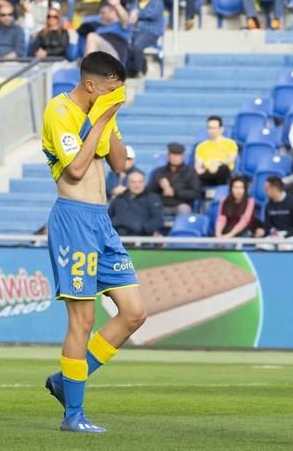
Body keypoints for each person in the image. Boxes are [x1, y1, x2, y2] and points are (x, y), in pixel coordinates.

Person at [41, 51, 146, 433]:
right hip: (73, 220)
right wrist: (100, 118)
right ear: (91, 85)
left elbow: (120, 165)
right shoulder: (60, 111)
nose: (115, 96)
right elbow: (77, 168)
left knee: (134, 312)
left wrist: (111, 119)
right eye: (110, 90)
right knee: (83, 319)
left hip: (101, 222)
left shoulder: (102, 114)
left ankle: (63, 381)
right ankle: (73, 415)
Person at [147, 142, 201, 215]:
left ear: (183, 156)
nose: (176, 158)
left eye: (178, 155)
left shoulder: (190, 172)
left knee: (183, 209)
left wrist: (174, 192)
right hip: (162, 205)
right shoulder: (159, 172)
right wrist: (159, 185)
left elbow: (195, 193)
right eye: (174, 155)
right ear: (168, 155)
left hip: (181, 204)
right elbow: (150, 192)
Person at [108, 169, 163, 236]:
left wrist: (142, 227)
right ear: (127, 183)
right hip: (118, 237)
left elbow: (158, 220)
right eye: (133, 182)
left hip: (141, 238)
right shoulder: (119, 198)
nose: (137, 185)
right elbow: (108, 217)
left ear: (144, 183)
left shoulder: (152, 198)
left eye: (140, 182)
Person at [126, 0, 164, 77]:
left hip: (151, 32)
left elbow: (153, 14)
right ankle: (129, 68)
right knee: (124, 43)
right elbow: (130, 15)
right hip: (135, 32)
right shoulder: (135, 3)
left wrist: (138, 14)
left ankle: (137, 70)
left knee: (137, 45)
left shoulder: (157, 2)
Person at [255, 176, 293, 241]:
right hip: (275, 236)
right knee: (261, 246)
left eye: (266, 189)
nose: (264, 192)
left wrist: (285, 234)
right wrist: (264, 231)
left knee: (284, 247)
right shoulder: (268, 205)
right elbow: (268, 225)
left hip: (292, 236)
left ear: (274, 189)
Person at [194, 115, 238, 186]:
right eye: (209, 128)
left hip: (223, 173)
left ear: (221, 129)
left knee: (223, 169)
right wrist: (199, 169)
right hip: (207, 173)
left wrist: (217, 165)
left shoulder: (230, 143)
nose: (211, 131)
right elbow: (198, 163)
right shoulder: (201, 146)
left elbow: (231, 158)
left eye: (214, 128)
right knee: (192, 173)